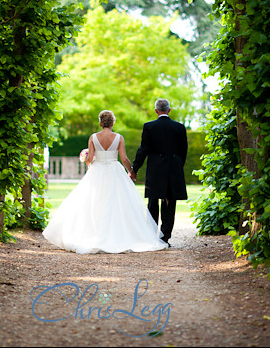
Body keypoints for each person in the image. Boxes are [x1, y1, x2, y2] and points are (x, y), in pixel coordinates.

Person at [42, 110, 168, 254]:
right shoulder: (119, 138)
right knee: (119, 202)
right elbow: (124, 158)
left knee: (95, 202)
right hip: (115, 170)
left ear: (100, 123)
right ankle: (119, 234)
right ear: (112, 122)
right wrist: (132, 172)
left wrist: (86, 159)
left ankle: (94, 233)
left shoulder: (93, 137)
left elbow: (90, 159)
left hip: (97, 171)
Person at [129, 98, 188, 247]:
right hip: (173, 169)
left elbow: (143, 150)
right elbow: (183, 151)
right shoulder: (179, 127)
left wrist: (134, 169)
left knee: (153, 202)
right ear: (169, 110)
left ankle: (151, 235)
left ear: (156, 111)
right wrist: (178, 166)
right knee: (170, 203)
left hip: (155, 170)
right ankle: (164, 237)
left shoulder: (149, 127)